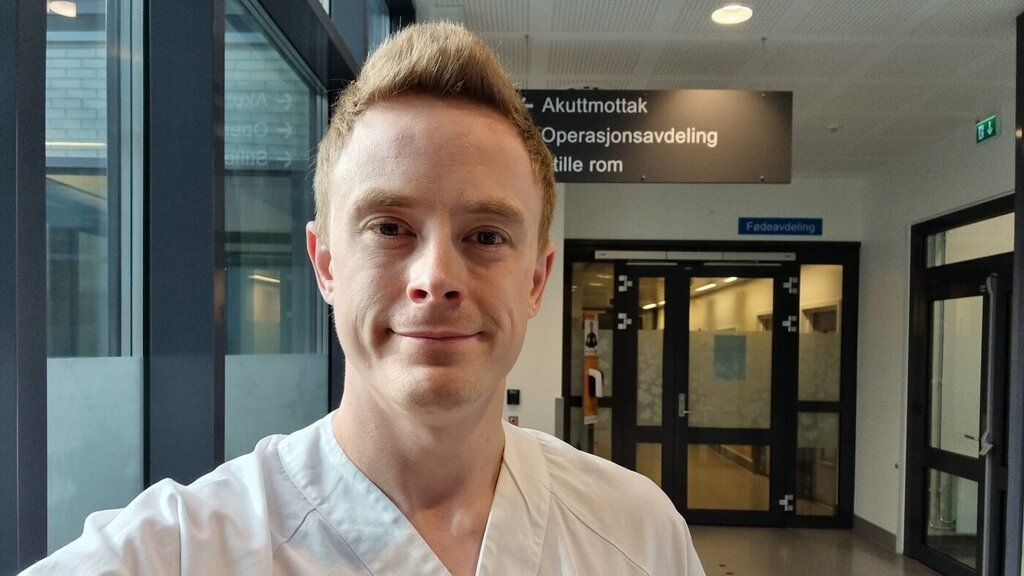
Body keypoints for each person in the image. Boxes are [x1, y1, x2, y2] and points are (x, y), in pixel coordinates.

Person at [23, 21, 705, 575]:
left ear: (535, 280)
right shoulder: (181, 548)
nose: (436, 277)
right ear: (325, 264)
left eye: (486, 235)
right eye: (389, 228)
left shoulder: (638, 534)